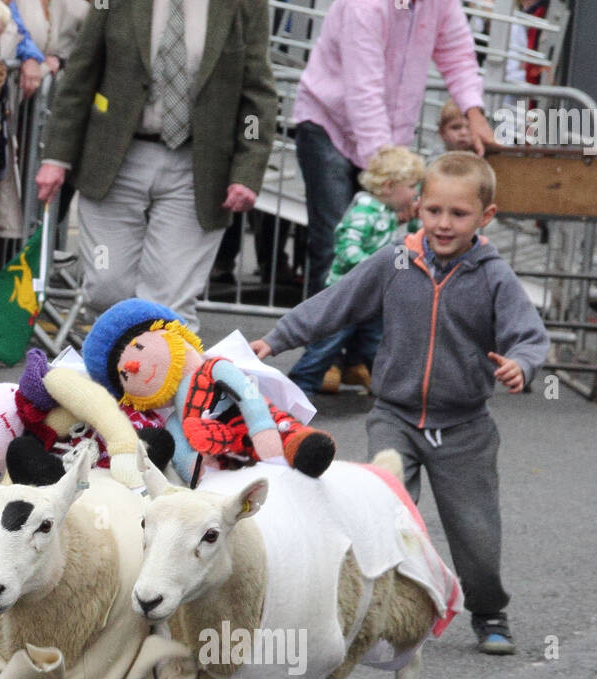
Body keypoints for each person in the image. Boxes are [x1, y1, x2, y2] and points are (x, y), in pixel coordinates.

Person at [251, 152, 550, 656]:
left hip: (464, 427)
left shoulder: (493, 277)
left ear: (486, 216)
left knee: (475, 534)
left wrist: (522, 363)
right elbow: (336, 301)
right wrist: (277, 338)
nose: (443, 223)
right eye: (433, 210)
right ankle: (365, 609)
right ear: (416, 206)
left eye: (458, 214)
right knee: (383, 515)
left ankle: (488, 610)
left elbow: (529, 334)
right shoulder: (394, 261)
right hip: (394, 416)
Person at [35, 0, 277, 332]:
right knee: (106, 287)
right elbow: (81, 72)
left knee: (168, 305)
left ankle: (157, 380)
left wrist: (248, 170)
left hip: (199, 168)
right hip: (115, 161)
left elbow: (257, 91)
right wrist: (57, 157)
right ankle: (114, 369)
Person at [292, 0, 496, 298]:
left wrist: (474, 114)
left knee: (392, 248)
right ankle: (323, 342)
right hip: (329, 126)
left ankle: (372, 341)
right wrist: (391, 172)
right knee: (336, 246)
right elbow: (364, 91)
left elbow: (459, 57)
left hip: (388, 141)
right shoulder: (366, 6)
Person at [289, 144, 425, 397]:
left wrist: (416, 219)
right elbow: (346, 248)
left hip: (374, 294)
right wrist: (376, 267)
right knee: (329, 340)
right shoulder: (366, 211)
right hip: (348, 293)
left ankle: (387, 387)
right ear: (389, 187)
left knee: (376, 340)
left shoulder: (390, 213)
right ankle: (299, 385)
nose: (415, 194)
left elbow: (407, 242)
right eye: (412, 187)